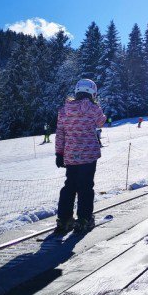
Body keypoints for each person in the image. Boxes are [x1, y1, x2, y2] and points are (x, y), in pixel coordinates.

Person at [54, 79, 106, 234]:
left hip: (70, 155)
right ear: (92, 93)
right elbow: (101, 122)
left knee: (69, 185)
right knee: (86, 187)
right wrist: (98, 108)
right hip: (88, 155)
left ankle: (64, 220)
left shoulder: (64, 110)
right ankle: (84, 220)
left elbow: (60, 133)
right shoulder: (93, 108)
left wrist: (59, 153)